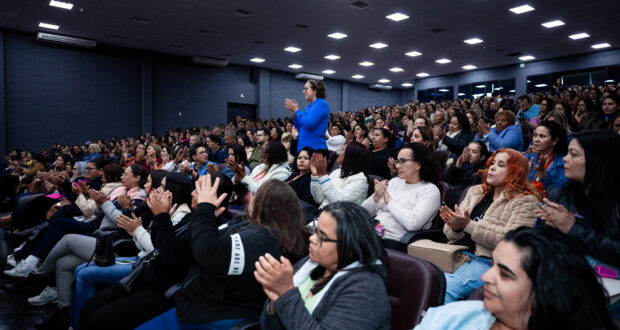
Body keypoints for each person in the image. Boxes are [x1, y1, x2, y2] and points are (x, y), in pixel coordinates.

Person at [136, 177, 308, 329]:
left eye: (256, 195)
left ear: (265, 205)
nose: (251, 199)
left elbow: (208, 254)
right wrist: (206, 214)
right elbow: (202, 244)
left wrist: (205, 208)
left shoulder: (264, 237)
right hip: (195, 307)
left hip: (212, 317)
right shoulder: (251, 226)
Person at [415, 227, 614, 330]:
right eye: (492, 266)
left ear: (545, 289)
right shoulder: (454, 316)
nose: (486, 277)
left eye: (505, 274)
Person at [256, 202, 391, 329]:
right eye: (315, 231)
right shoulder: (310, 264)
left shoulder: (366, 291)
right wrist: (275, 301)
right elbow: (267, 325)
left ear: (350, 247)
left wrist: (285, 294)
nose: (312, 238)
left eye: (322, 237)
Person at [440, 149, 540, 303]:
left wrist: (467, 225)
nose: (492, 167)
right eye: (492, 163)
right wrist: (455, 226)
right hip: (453, 253)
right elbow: (448, 233)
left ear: (516, 171)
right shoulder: (475, 192)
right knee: (418, 279)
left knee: (442, 288)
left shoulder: (526, 201)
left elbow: (513, 241)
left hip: (487, 262)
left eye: (501, 165)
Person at [535, 130, 620, 269]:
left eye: (573, 154)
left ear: (598, 160)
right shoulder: (563, 196)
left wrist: (572, 228)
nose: (565, 158)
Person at [362, 143, 441, 249]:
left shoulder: (430, 190)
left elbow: (412, 224)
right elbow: (363, 212)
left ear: (418, 164)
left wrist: (389, 200)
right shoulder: (395, 182)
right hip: (371, 233)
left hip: (393, 241)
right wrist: (376, 197)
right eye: (398, 161)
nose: (398, 165)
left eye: (403, 161)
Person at [310, 142, 370, 208]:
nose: (339, 153)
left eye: (343, 150)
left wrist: (323, 175)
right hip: (323, 213)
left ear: (350, 156)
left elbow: (338, 203)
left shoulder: (360, 180)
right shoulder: (337, 172)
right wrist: (315, 176)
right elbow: (319, 199)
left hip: (339, 216)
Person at [525, 121, 569, 196]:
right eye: (535, 135)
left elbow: (558, 193)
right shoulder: (529, 158)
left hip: (546, 203)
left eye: (542, 136)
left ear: (554, 141)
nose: (536, 140)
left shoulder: (564, 163)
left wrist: (544, 175)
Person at [285, 79, 330, 152]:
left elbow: (309, 123)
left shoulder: (321, 104)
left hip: (315, 149)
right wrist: (294, 116)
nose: (303, 91)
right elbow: (301, 127)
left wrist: (297, 110)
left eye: (306, 88)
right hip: (304, 149)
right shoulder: (308, 107)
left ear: (315, 90)